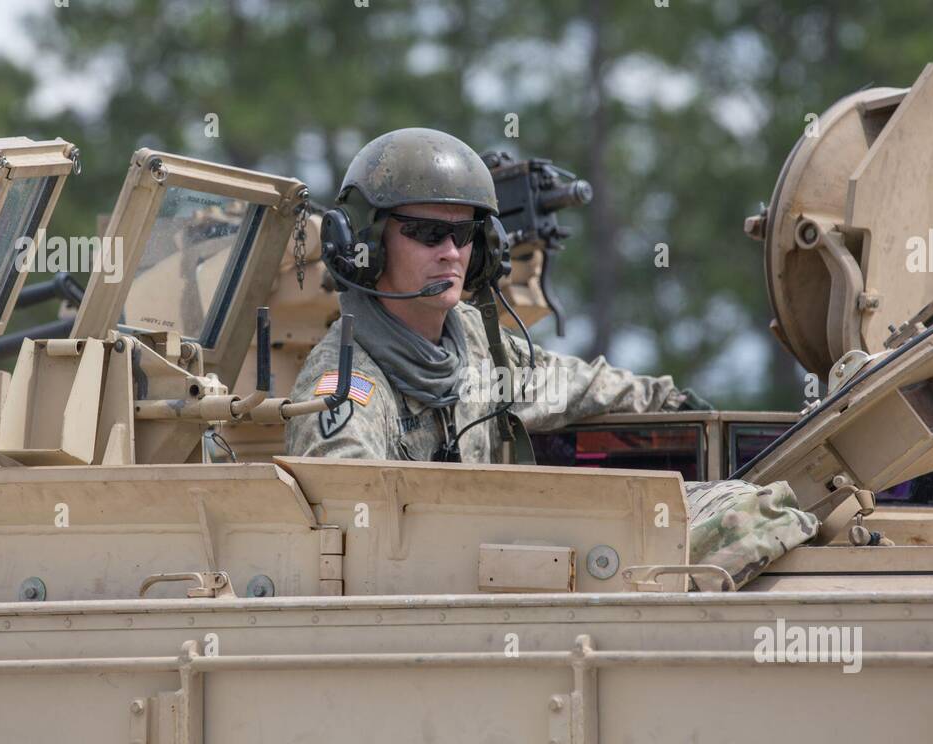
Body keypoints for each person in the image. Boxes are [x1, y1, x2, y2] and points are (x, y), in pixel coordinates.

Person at [286, 127, 817, 588]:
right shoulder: (347, 385)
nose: (449, 250)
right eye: (426, 233)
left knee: (751, 510)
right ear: (369, 245)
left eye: (465, 234)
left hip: (504, 577)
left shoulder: (473, 342)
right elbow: (352, 537)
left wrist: (667, 398)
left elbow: (565, 382)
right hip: (438, 602)